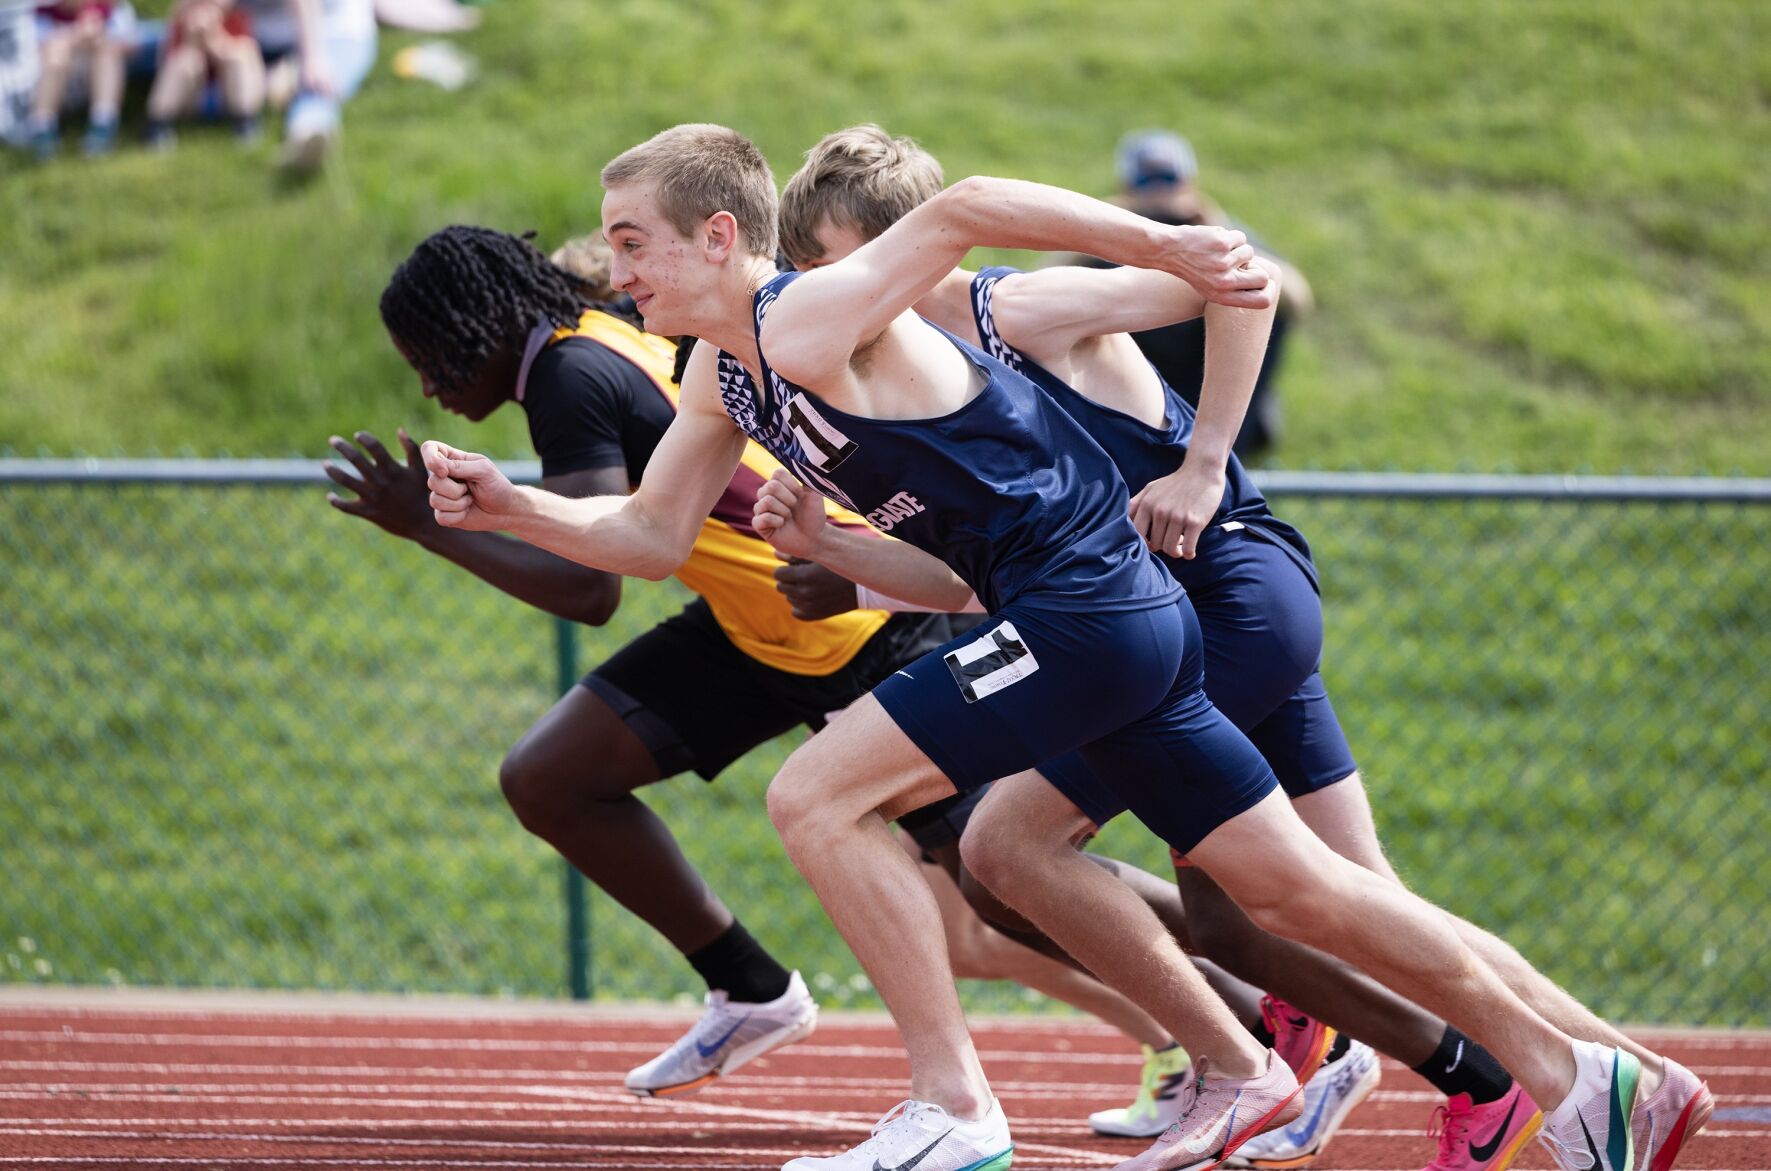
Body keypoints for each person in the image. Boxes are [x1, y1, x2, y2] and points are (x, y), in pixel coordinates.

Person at [420, 124, 1658, 1171]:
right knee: (1293, 891)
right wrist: (512, 503)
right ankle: (1585, 1074)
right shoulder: (724, 379)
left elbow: (960, 207)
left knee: (819, 796)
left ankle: (954, 1107)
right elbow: (645, 533)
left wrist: (1166, 246)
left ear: (719, 239)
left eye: (631, 239)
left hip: (1091, 610)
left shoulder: (804, 319)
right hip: (1107, 616)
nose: (612, 266)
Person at [765, 124, 1714, 1171]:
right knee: (1338, 895)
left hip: (1218, 587)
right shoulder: (918, 377)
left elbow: (1245, 279)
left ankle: (1290, 1057)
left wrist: (1205, 459)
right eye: (810, 274)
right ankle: (1624, 1077)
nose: (821, 297)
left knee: (1018, 848)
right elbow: (973, 577)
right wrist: (838, 555)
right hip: (1175, 606)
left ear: (909, 246)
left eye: (835, 266)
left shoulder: (1010, 309)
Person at [329, 224, 982, 1098]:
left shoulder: (567, 374)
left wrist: (426, 524)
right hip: (759, 625)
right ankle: (749, 987)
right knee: (549, 775)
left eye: (429, 355)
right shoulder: (589, 337)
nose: (427, 385)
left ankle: (1220, 1006)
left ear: (479, 324)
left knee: (1004, 879)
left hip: (846, 625)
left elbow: (587, 585)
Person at [1086, 129, 1314, 460]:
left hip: (1207, 381)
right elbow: (1042, 286)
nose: (1159, 195)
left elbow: (1296, 297)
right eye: (1147, 184)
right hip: (1130, 394)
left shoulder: (1218, 233)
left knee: (1257, 294)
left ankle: (1222, 445)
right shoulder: (1112, 241)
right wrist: (1095, 224)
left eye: (1168, 181)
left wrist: (1215, 228)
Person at [235, 0, 374, 170]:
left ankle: (309, 131)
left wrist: (312, 58)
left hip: (327, 25)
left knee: (316, 85)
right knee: (231, 86)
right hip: (253, 33)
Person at [142, 0, 264, 149]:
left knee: (239, 55)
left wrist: (213, 37)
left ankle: (246, 122)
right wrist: (191, 40)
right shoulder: (182, 22)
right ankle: (156, 125)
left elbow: (245, 59)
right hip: (193, 98)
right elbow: (165, 66)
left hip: (227, 96)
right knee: (186, 60)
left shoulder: (238, 18)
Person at [25, 0, 136, 157]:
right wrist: (77, 35)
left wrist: (98, 38)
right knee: (56, 52)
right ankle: (42, 128)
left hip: (97, 75)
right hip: (53, 78)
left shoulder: (111, 7)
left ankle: (103, 125)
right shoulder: (42, 9)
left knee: (105, 51)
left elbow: (132, 47)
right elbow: (32, 51)